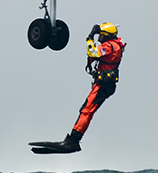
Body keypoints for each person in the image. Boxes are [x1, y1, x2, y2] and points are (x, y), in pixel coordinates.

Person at [30, 22, 125, 154]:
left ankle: (73, 141)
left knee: (86, 111)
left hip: (103, 85)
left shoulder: (110, 46)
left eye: (101, 35)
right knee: (86, 111)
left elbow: (92, 52)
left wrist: (90, 38)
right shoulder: (114, 45)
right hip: (104, 84)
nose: (99, 38)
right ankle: (73, 139)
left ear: (107, 36)